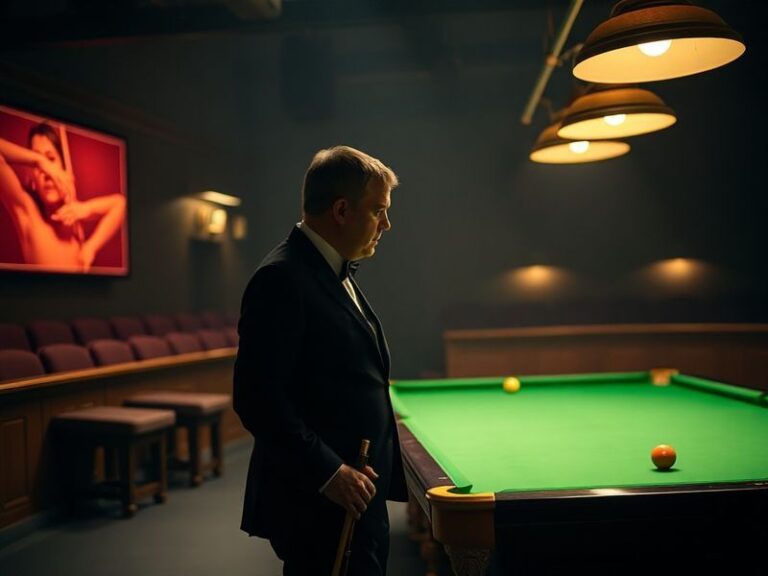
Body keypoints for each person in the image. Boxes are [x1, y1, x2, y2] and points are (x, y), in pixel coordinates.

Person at [233, 145, 407, 575]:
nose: (387, 223)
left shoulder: (330, 267)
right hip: (320, 500)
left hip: (356, 491)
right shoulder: (281, 278)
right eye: (378, 210)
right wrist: (330, 473)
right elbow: (257, 400)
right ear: (342, 210)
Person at [0, 122, 125, 272]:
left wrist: (90, 247)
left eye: (51, 159)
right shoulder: (27, 211)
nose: (46, 172)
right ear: (32, 177)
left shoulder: (74, 221)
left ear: (65, 171)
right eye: (38, 166)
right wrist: (39, 161)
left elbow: (120, 203)